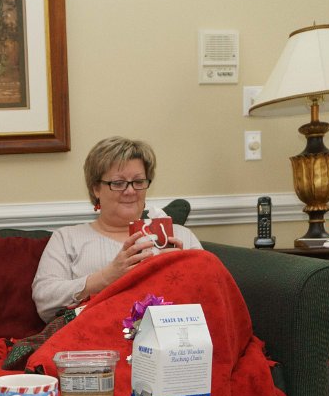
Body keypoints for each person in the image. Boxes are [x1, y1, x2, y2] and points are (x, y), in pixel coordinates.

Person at [31, 136, 202, 322]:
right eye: (118, 183)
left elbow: (211, 292)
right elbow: (44, 300)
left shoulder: (179, 235)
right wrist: (107, 277)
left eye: (138, 181)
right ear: (96, 188)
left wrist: (182, 272)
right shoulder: (67, 238)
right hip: (96, 334)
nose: (130, 191)